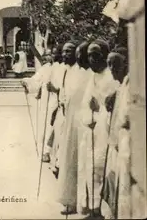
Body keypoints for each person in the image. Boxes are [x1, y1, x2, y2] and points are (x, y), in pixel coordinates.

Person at [79, 40, 120, 219]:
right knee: (91, 169)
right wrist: (89, 117)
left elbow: (116, 108)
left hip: (107, 133)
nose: (91, 59)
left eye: (95, 55)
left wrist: (100, 108)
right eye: (89, 55)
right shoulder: (92, 76)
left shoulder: (112, 77)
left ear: (104, 56)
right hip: (92, 130)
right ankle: (93, 209)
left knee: (103, 169)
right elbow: (86, 103)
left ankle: (103, 211)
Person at [56, 41, 93, 215]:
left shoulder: (93, 73)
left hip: (89, 125)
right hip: (72, 124)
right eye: (75, 53)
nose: (78, 57)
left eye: (80, 53)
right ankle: (70, 201)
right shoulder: (70, 72)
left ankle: (90, 205)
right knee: (70, 160)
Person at [101, 50, 128, 218]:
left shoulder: (129, 85)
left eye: (115, 64)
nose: (111, 69)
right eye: (109, 64)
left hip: (124, 144)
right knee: (111, 180)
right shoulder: (119, 87)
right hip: (114, 143)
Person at [21, 53, 53, 162]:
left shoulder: (57, 67)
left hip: (58, 100)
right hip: (48, 101)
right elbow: (35, 81)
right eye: (43, 59)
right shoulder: (46, 68)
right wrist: (27, 83)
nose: (45, 61)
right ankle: (46, 151)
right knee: (47, 124)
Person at [46, 43, 67, 174]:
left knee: (59, 132)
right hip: (55, 101)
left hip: (60, 102)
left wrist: (53, 88)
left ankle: (57, 161)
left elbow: (60, 88)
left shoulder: (63, 67)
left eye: (54, 53)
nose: (52, 56)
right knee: (55, 130)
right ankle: (52, 157)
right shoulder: (53, 66)